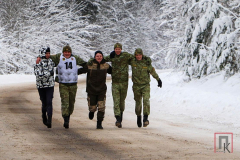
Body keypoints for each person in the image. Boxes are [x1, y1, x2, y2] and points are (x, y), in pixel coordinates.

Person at [36, 45, 86, 129]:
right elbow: (47, 56)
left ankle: (68, 115)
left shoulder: (75, 58)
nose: (67, 53)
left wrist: (78, 71)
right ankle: (66, 119)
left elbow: (85, 65)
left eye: (68, 52)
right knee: (65, 101)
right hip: (63, 83)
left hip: (73, 84)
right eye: (65, 52)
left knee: (71, 102)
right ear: (63, 52)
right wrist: (39, 58)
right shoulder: (59, 57)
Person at [78, 51, 112, 129]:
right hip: (91, 90)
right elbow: (80, 71)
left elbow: (115, 72)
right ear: (95, 57)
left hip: (102, 90)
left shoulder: (106, 66)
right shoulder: (90, 65)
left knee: (101, 107)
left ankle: (99, 123)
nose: (99, 57)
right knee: (93, 107)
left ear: (102, 57)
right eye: (97, 56)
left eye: (100, 56)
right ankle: (92, 111)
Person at [130, 48, 162, 128]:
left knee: (146, 100)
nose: (138, 56)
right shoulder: (132, 61)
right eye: (137, 55)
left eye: (140, 55)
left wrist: (158, 79)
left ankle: (145, 118)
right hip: (136, 85)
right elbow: (123, 59)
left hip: (145, 85)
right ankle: (138, 117)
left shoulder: (146, 62)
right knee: (138, 103)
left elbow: (152, 71)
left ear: (142, 55)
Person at [34, 47, 55, 128]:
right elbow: (38, 73)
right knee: (44, 102)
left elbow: (52, 72)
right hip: (41, 86)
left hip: (50, 85)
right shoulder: (38, 62)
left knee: (49, 101)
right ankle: (44, 115)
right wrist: (48, 73)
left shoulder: (51, 62)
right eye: (46, 53)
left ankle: (49, 119)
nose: (48, 55)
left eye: (49, 53)